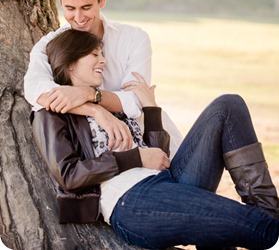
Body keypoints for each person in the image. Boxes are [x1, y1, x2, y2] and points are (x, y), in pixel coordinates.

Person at [31, 28, 279, 250]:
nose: (103, 60)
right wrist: (136, 157)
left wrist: (150, 109)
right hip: (131, 201)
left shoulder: (107, 101)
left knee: (228, 105)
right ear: (71, 63)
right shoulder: (50, 114)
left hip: (167, 179)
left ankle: (268, 207)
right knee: (261, 230)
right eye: (94, 55)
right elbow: (69, 174)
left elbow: (157, 155)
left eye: (102, 54)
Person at [24, 0, 182, 156]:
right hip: (117, 163)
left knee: (226, 107)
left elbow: (135, 100)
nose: (79, 19)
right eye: (70, 9)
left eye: (86, 7)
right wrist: (95, 110)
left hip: (160, 144)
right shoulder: (49, 46)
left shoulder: (133, 38)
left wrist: (87, 94)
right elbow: (35, 91)